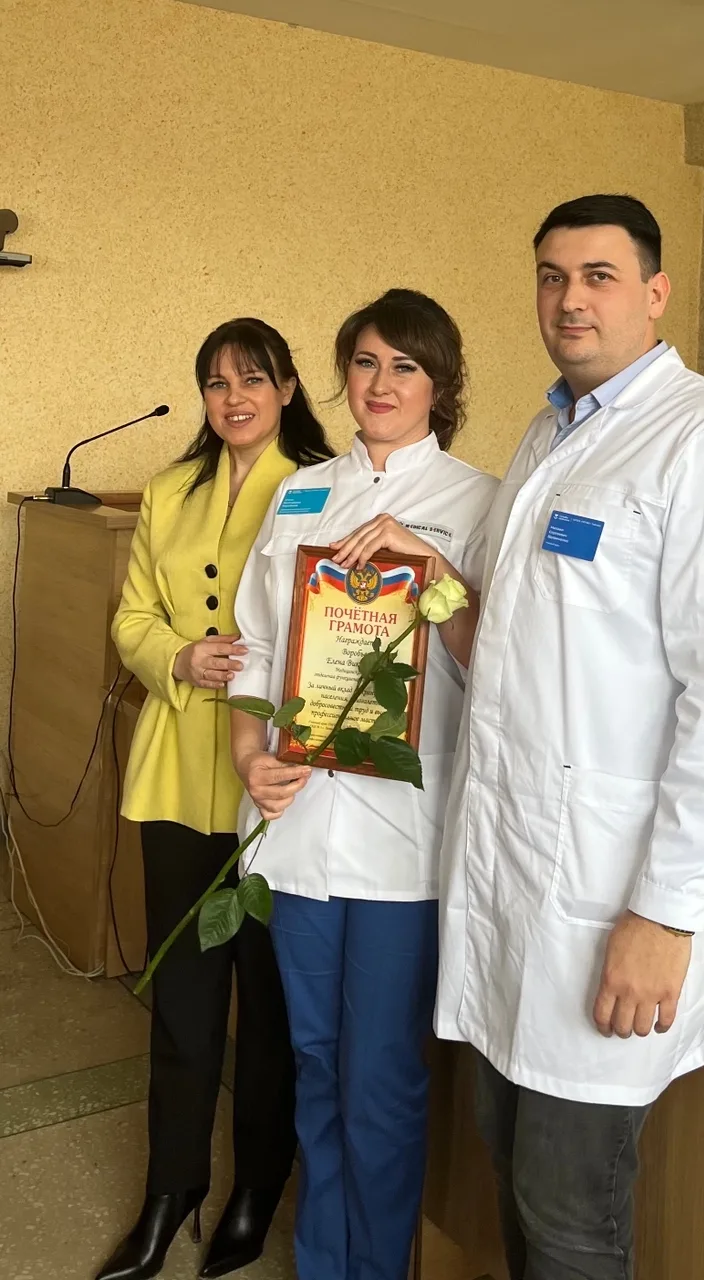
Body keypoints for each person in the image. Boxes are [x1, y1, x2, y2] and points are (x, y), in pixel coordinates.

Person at [435, 194, 704, 1280]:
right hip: (515, 888)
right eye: (551, 276)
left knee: (569, 1214)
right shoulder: (547, 434)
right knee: (511, 1167)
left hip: (611, 900)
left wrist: (663, 912)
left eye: (598, 275)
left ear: (654, 292)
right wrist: (431, 589)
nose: (569, 299)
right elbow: (514, 651)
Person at [228, 288, 499, 1280]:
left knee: (379, 1079)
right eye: (366, 362)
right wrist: (249, 755)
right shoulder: (299, 495)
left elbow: (497, 664)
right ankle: (323, 1262)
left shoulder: (480, 501)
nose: (382, 384)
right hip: (297, 830)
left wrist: (428, 566)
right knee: (313, 1065)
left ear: (442, 384)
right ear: (342, 374)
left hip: (403, 845)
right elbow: (256, 649)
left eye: (406, 366)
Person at [100, 318, 334, 1280]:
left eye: (252, 380)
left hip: (279, 780)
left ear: (286, 388)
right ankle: (173, 1190)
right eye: (216, 383)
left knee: (270, 1008)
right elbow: (131, 616)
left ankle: (256, 1188)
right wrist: (175, 656)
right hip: (175, 773)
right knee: (185, 1003)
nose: (234, 399)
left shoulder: (324, 483)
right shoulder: (170, 489)